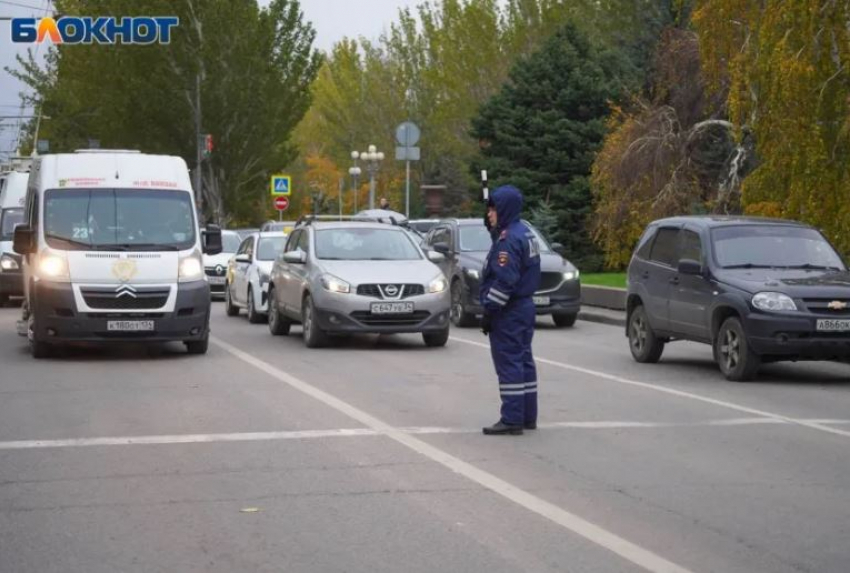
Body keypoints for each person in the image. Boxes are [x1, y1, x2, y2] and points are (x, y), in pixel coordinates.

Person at [479, 185, 542, 435]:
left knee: (509, 363)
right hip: (524, 307)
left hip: (509, 310)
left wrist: (490, 311)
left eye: (493, 209)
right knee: (524, 360)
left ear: (503, 209)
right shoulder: (525, 232)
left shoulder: (508, 241)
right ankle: (527, 415)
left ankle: (512, 419)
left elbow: (505, 281)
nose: (489, 214)